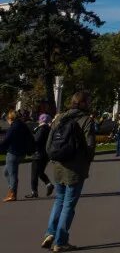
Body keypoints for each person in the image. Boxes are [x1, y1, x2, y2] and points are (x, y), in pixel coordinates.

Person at [42, 90, 97, 252]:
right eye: (89, 101)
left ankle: (50, 233)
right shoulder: (86, 120)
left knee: (59, 200)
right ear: (83, 103)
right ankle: (61, 241)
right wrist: (86, 161)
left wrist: (54, 159)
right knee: (68, 205)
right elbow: (90, 146)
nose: (90, 104)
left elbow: (49, 143)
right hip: (76, 168)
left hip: (59, 166)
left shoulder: (60, 117)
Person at [2, 108, 34, 202]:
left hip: (13, 153)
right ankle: (11, 189)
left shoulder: (14, 127)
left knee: (12, 174)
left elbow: (6, 140)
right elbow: (30, 138)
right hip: (21, 153)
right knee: (6, 172)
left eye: (7, 119)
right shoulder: (23, 125)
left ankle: (13, 193)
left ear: (10, 118)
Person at [27, 114, 55, 199]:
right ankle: (49, 184)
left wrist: (31, 141)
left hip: (38, 154)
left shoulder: (41, 129)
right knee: (40, 172)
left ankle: (34, 191)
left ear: (41, 120)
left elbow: (36, 140)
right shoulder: (49, 129)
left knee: (34, 174)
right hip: (45, 154)